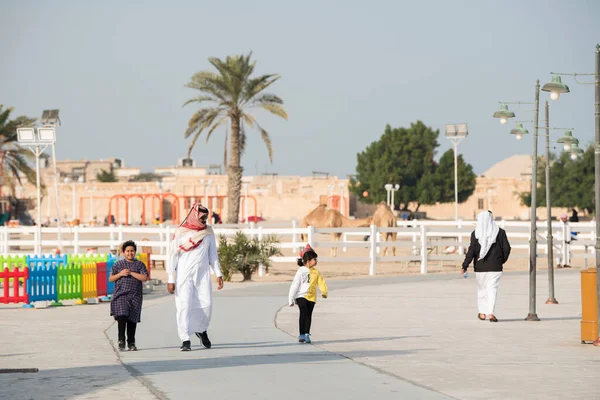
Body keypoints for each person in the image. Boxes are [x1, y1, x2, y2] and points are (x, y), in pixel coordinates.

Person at [167, 203, 224, 352]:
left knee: (207, 305)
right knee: (184, 306)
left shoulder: (208, 233)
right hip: (184, 276)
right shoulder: (181, 232)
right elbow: (172, 255)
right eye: (202, 217)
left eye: (206, 217)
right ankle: (185, 339)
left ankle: (201, 329)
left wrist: (218, 273)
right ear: (195, 215)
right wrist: (170, 278)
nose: (205, 219)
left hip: (203, 275)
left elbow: (213, 255)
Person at [462, 211, 511, 322]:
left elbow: (471, 251)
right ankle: (491, 313)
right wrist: (501, 260)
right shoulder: (500, 232)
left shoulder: (475, 234)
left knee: (482, 290)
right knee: (492, 289)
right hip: (496, 267)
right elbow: (507, 249)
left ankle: (482, 312)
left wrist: (465, 265)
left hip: (480, 267)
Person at [109, 240, 149, 351]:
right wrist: (120, 274)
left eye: (132, 251)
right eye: (127, 251)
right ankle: (121, 340)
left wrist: (131, 273)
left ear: (135, 252)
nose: (130, 253)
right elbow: (111, 278)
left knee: (132, 319)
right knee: (122, 316)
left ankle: (131, 342)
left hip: (135, 296)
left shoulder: (139, 264)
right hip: (121, 295)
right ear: (123, 252)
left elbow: (144, 277)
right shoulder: (118, 264)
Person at [288, 244, 328, 344]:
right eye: (315, 259)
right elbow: (295, 285)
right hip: (301, 296)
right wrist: (291, 298)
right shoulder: (301, 271)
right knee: (303, 311)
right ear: (308, 261)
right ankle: (301, 334)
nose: (316, 261)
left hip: (311, 297)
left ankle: (307, 334)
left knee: (309, 315)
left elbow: (321, 282)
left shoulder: (316, 272)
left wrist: (324, 292)